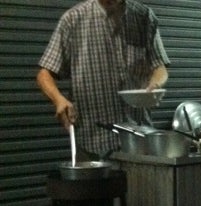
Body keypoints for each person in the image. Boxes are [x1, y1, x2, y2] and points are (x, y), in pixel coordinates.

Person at [36, 0, 170, 160]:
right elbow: (44, 74)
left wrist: (155, 84)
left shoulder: (144, 17)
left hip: (140, 140)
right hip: (92, 142)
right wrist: (58, 99)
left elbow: (159, 67)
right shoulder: (73, 19)